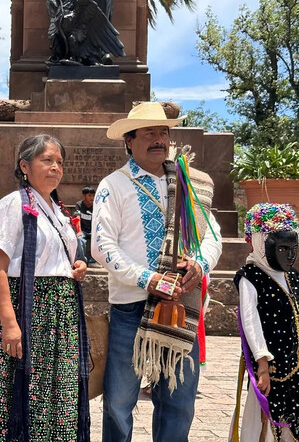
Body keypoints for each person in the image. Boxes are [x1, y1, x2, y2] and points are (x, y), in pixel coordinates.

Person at [0, 134, 90, 442]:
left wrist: (74, 268)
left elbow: (54, 257)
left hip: (60, 316)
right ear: (25, 165)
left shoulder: (58, 211)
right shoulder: (12, 206)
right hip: (27, 311)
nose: (55, 168)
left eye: (59, 162)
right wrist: (10, 324)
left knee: (56, 394)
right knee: (18, 393)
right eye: (46, 160)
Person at [91, 102, 223, 442]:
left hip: (182, 306)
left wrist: (201, 263)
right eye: (148, 133)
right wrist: (148, 278)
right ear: (129, 142)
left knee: (179, 400)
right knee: (119, 402)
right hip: (132, 307)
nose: (158, 139)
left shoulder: (188, 183)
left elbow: (213, 235)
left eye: (163, 132)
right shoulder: (113, 185)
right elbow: (102, 246)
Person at [232, 203, 299, 441]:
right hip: (270, 371)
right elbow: (251, 322)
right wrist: (262, 363)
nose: (290, 256)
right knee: (267, 427)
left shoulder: (292, 277)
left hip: (296, 368)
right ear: (260, 243)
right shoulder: (251, 277)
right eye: (282, 248)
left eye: (293, 248)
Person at [74, 186, 96, 263]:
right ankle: (82, 260)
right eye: (89, 195)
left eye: (93, 195)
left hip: (93, 231)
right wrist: (79, 231)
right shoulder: (79, 205)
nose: (92, 198)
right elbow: (77, 218)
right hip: (83, 230)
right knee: (80, 239)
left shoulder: (96, 206)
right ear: (84, 196)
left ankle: (93, 261)